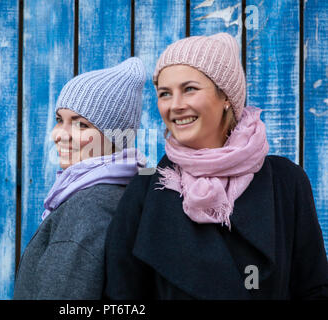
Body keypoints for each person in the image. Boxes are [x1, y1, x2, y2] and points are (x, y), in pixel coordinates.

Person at [104, 33, 328, 299]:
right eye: (165, 93)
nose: (175, 105)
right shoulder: (147, 186)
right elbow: (120, 297)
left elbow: (314, 289)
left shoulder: (285, 181)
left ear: (225, 97)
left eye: (189, 89)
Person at [13, 57, 147, 299]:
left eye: (81, 125)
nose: (59, 135)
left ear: (116, 136)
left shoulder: (90, 206)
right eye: (59, 120)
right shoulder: (122, 192)